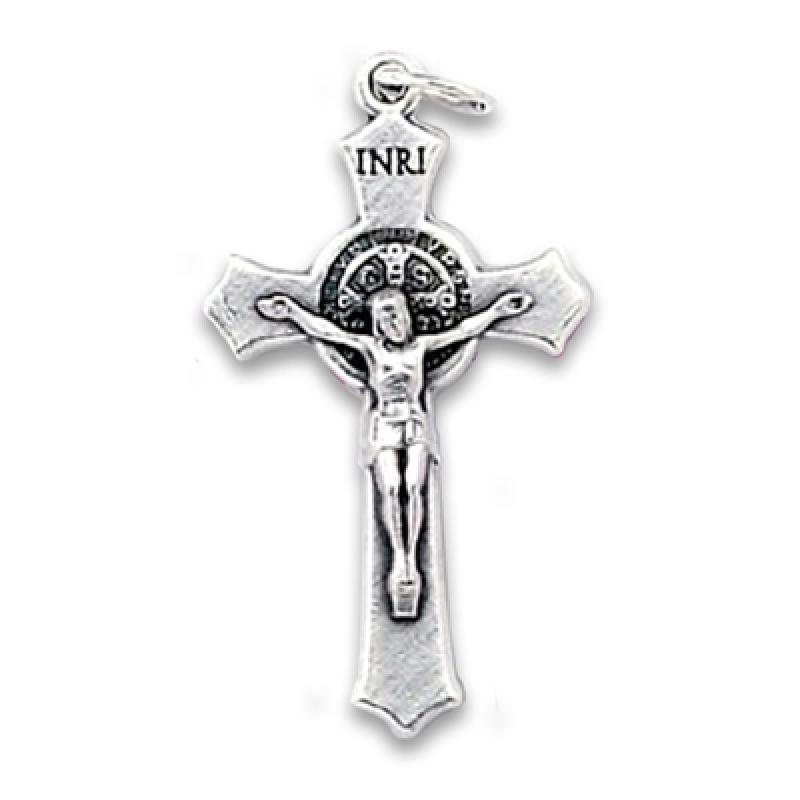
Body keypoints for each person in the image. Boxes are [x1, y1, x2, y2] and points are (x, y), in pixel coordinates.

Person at [258, 287, 533, 617]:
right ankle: (399, 559)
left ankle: (411, 559)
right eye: (385, 318)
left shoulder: (420, 348)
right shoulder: (372, 349)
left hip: (415, 424)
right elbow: (328, 331)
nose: (394, 323)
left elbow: (463, 330)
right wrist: (291, 312)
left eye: (397, 314)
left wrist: (498, 310)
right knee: (390, 489)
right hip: (385, 425)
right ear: (377, 323)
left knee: (414, 488)